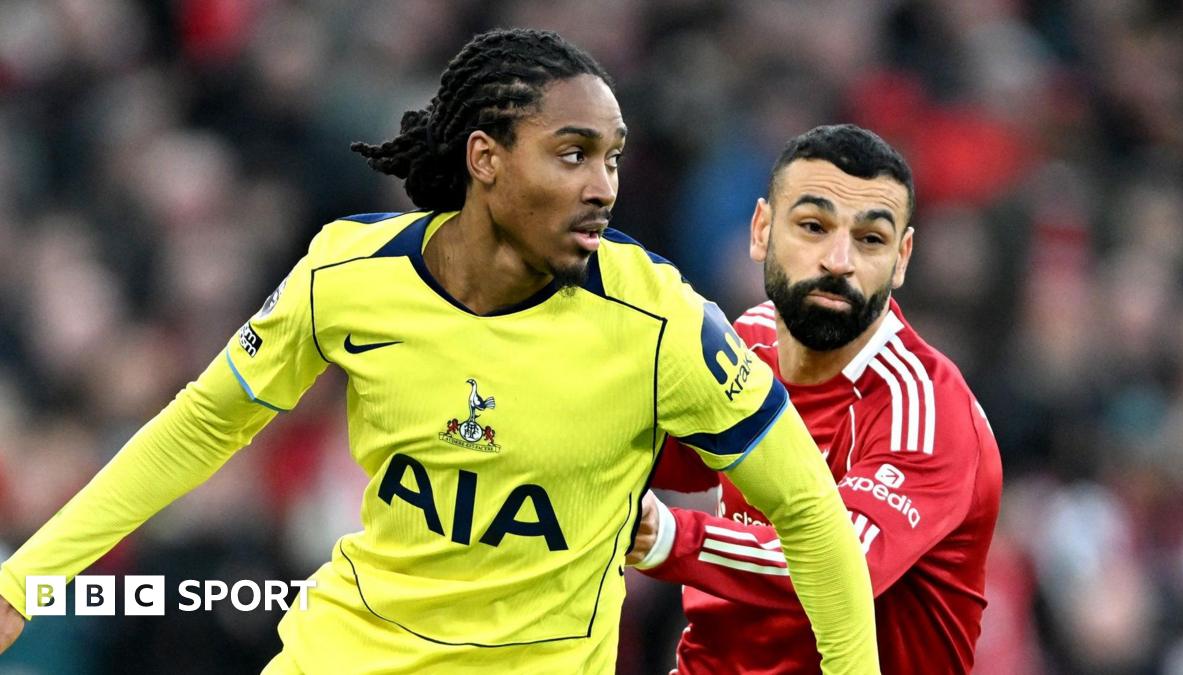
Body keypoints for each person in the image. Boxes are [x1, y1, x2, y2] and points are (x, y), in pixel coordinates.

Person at [0, 31, 879, 673]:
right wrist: (27, 579)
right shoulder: (350, 273)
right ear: (485, 159)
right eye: (571, 154)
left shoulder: (662, 326)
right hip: (344, 650)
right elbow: (200, 428)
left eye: (611, 158)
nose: (602, 185)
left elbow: (808, 510)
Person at [628, 124, 1003, 674]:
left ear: (901, 259)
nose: (838, 260)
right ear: (761, 230)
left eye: (870, 239)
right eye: (813, 226)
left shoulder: (926, 412)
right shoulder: (745, 343)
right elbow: (655, 451)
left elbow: (836, 563)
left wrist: (669, 536)